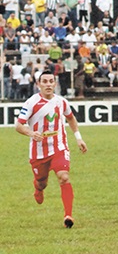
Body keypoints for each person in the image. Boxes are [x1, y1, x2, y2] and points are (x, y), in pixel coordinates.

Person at [15, 69, 88, 228]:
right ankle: (38, 189)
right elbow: (19, 125)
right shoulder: (31, 103)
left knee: (64, 177)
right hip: (39, 151)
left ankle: (68, 216)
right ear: (38, 84)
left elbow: (71, 118)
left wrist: (78, 138)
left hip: (59, 147)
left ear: (55, 84)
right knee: (42, 183)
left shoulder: (61, 101)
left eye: (51, 81)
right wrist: (31, 133)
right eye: (45, 82)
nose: (48, 84)